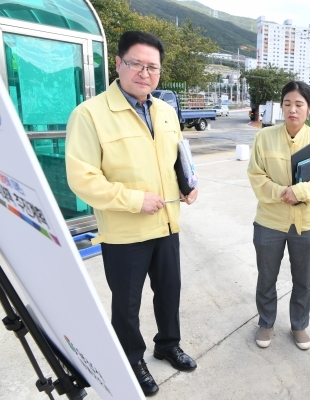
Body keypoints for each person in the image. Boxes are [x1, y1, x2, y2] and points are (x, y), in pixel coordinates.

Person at [66, 31, 198, 397]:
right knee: (127, 303)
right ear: (118, 64)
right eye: (136, 64)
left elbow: (177, 158)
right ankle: (132, 358)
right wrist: (132, 200)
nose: (144, 72)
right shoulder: (90, 114)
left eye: (152, 66)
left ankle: (168, 344)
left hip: (167, 223)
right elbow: (83, 179)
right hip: (125, 230)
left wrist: (188, 184)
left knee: (169, 291)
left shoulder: (166, 111)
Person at [247, 81, 310, 350]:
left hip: (307, 222)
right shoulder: (264, 137)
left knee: (303, 278)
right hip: (270, 221)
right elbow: (256, 176)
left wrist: (300, 191)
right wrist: (282, 192)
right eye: (287, 104)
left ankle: (299, 325)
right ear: (281, 106)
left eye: (299, 104)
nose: (292, 110)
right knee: (266, 276)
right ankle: (266, 322)